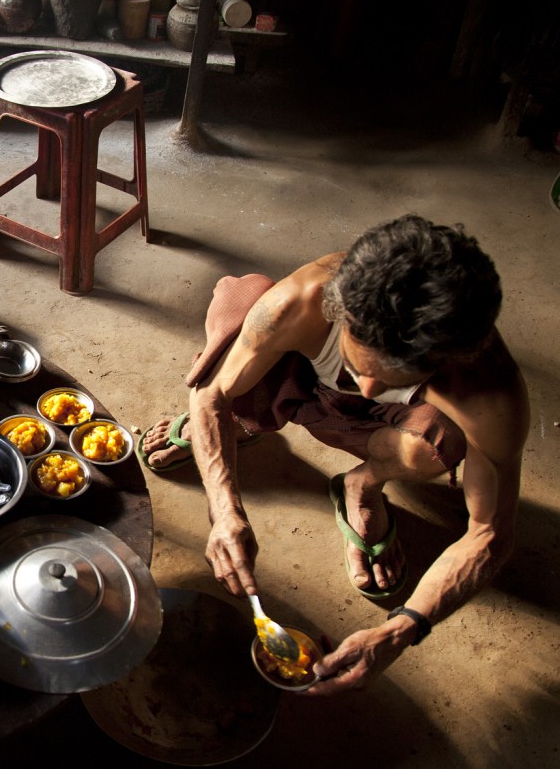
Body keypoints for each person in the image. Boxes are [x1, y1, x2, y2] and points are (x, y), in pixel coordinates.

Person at [140, 215, 527, 694]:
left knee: (440, 441)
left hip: (374, 429)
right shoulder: (302, 300)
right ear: (339, 309)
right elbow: (208, 394)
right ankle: (242, 421)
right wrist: (225, 512)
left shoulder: (489, 395)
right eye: (359, 361)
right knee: (244, 305)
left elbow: (489, 533)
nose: (367, 387)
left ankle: (361, 486)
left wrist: (401, 628)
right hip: (298, 377)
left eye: (393, 379)